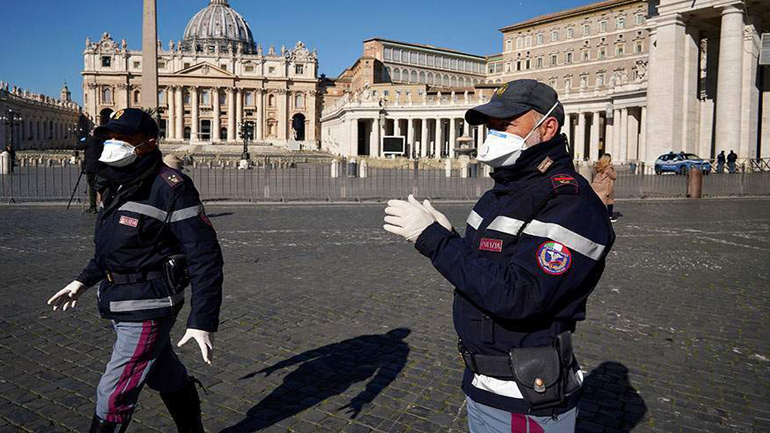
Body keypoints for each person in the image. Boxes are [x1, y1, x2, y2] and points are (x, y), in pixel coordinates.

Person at [383, 79, 615, 432]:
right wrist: (451, 238)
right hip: (484, 383)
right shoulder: (502, 193)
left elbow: (520, 295)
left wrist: (435, 241)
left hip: (528, 394)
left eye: (506, 125)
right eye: (492, 126)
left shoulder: (571, 202)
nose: (494, 135)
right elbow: (486, 270)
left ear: (547, 128)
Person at [46, 108, 224, 433]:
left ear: (149, 143)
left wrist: (202, 320)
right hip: (118, 298)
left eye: (124, 138)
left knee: (113, 393)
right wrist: (82, 281)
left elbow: (205, 256)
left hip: (148, 305)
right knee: (164, 373)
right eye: (110, 137)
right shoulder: (113, 182)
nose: (114, 143)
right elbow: (113, 249)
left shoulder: (171, 188)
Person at [77, 130, 107, 213]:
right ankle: (104, 206)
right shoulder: (102, 142)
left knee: (92, 187)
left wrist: (80, 138)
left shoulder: (89, 141)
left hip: (90, 168)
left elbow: (78, 146)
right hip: (101, 167)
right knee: (102, 186)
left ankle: (93, 206)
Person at [591, 154, 617, 222]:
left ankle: (596, 214)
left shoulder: (598, 166)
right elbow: (614, 177)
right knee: (609, 201)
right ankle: (609, 216)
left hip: (597, 185)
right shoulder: (608, 168)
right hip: (605, 186)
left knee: (597, 200)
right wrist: (613, 168)